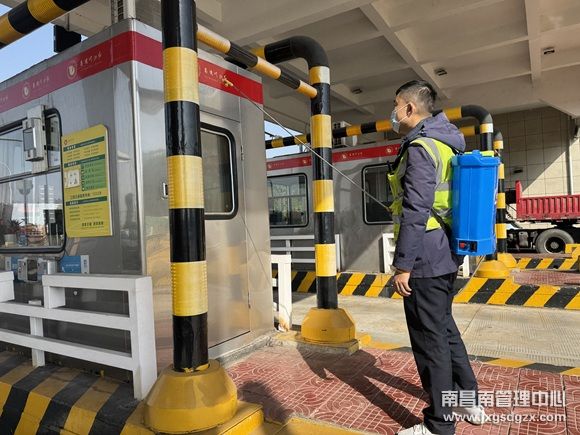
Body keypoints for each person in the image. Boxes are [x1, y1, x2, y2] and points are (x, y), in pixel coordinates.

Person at [388, 80, 485, 435]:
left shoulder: (420, 147)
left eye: (396, 105)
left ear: (409, 108)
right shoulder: (447, 143)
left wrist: (403, 265)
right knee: (445, 330)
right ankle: (468, 400)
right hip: (446, 250)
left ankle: (439, 425)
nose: (394, 112)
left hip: (425, 257)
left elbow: (415, 210)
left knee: (430, 342)